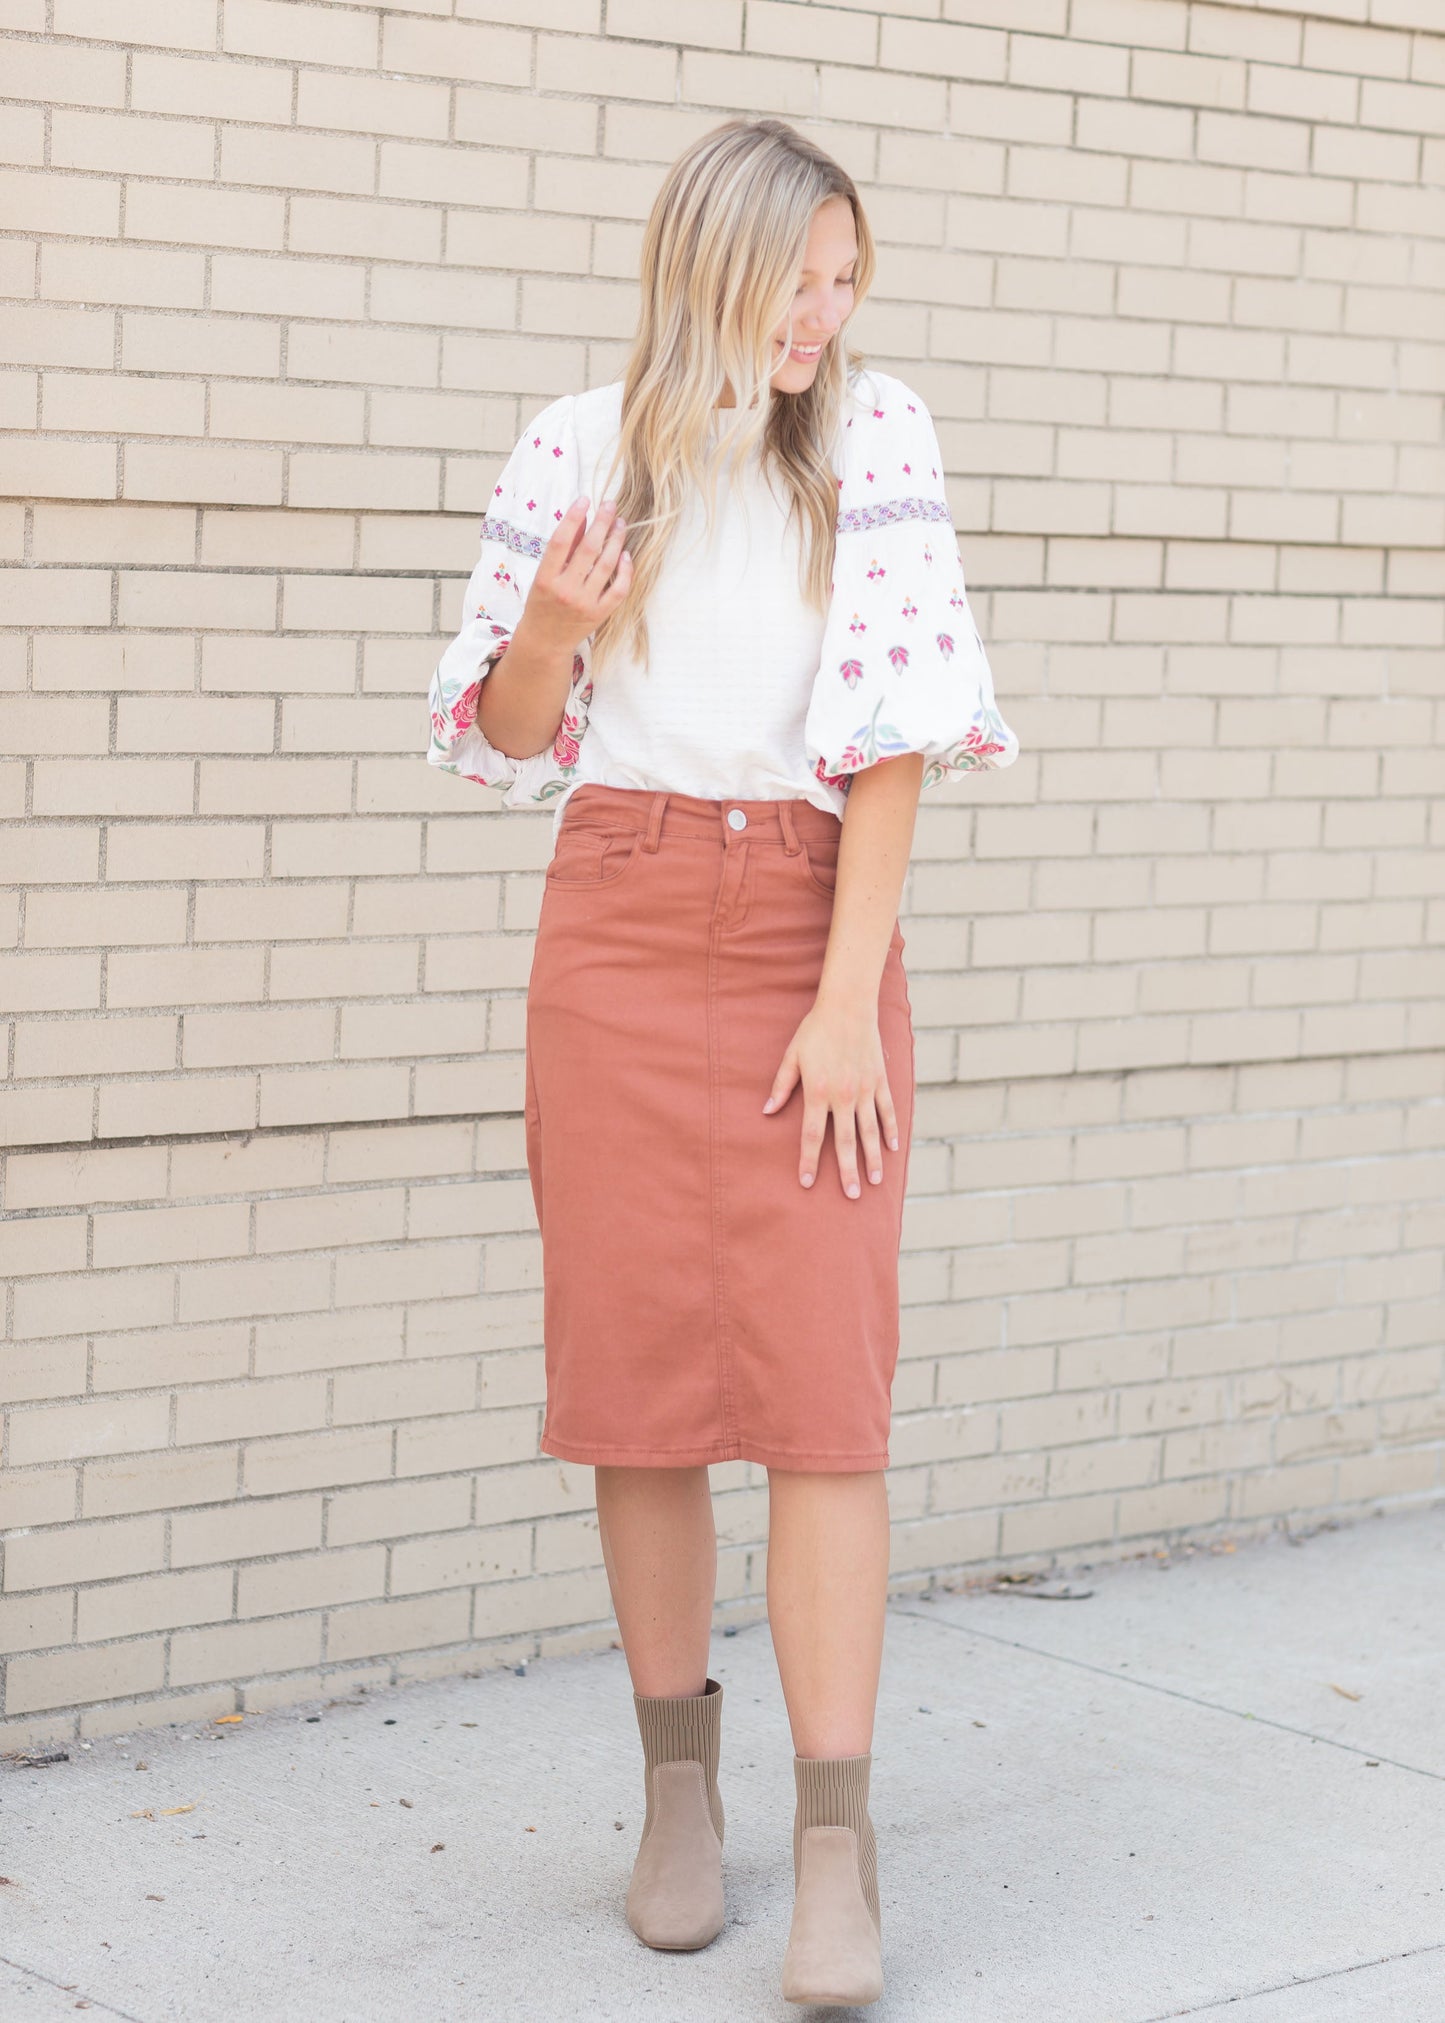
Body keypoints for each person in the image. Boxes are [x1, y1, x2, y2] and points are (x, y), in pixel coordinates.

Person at [428, 115, 1018, 2009]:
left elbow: (903, 735)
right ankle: (679, 1800)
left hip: (807, 919)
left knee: (825, 1397)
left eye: (848, 280)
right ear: (715, 257)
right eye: (800, 274)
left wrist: (846, 998)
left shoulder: (875, 439)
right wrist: (548, 626)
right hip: (617, 911)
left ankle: (831, 1849)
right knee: (641, 1389)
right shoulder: (574, 449)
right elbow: (512, 734)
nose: (824, 313)